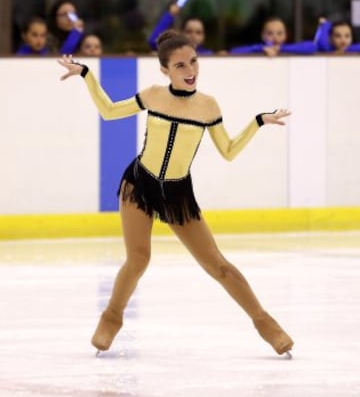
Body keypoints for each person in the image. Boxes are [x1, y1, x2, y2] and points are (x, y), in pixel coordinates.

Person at [58, 30, 293, 357]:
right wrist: (85, 74)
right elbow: (110, 112)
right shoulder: (154, 95)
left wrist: (258, 122)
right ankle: (112, 317)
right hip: (141, 183)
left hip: (178, 193)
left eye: (193, 61)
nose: (190, 70)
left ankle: (265, 323)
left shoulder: (208, 105)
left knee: (218, 266)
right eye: (180, 65)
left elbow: (227, 150)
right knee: (139, 259)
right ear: (165, 70)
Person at [230, 17, 316, 56]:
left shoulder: (288, 48)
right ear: (263, 36)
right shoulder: (261, 49)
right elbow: (234, 51)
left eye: (279, 33)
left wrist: (281, 49)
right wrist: (261, 49)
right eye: (270, 33)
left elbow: (311, 47)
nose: (275, 37)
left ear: (285, 35)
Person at [148, 3, 212, 54]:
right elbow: (153, 42)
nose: (193, 36)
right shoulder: (174, 54)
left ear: (204, 36)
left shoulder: (211, 56)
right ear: (182, 33)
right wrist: (170, 15)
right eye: (189, 31)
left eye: (198, 32)